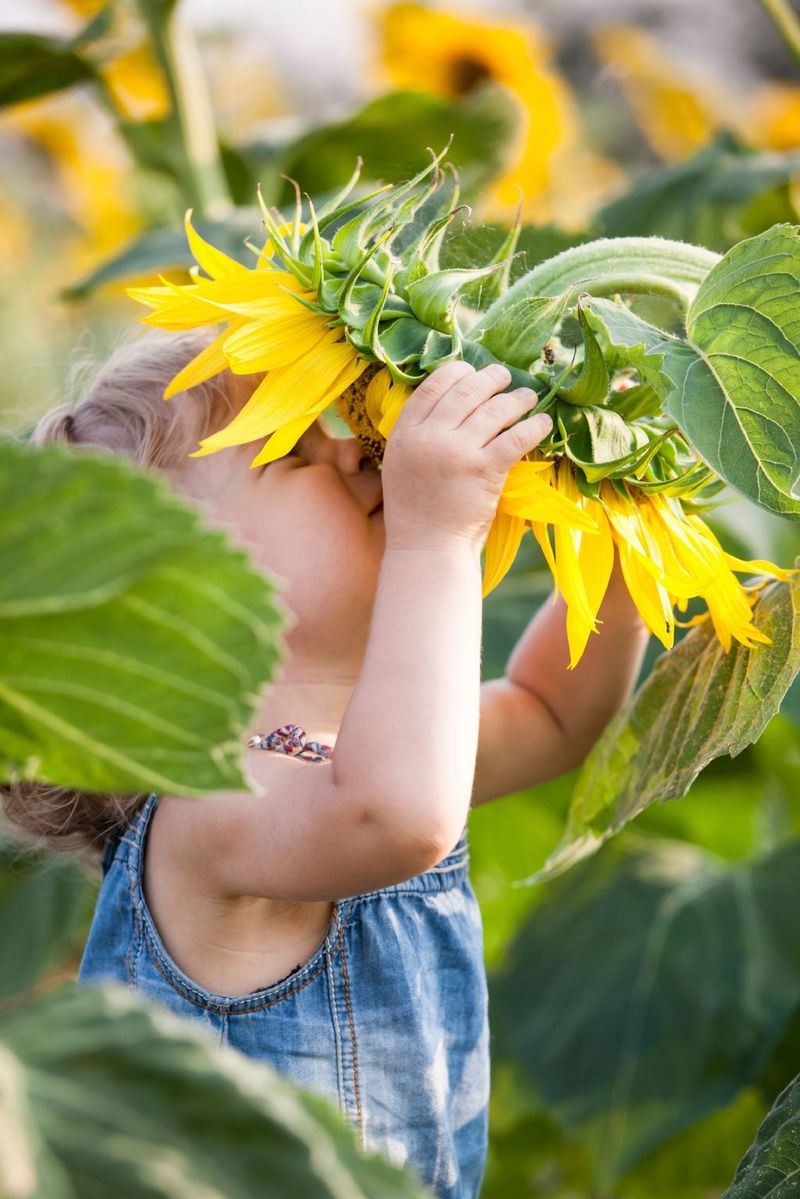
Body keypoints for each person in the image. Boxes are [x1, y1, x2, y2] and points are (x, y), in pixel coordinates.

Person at [5, 328, 649, 1199]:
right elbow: (400, 815)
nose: (356, 449)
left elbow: (552, 712)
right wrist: (436, 536)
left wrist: (620, 541)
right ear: (175, 597)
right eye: (290, 448)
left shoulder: (357, 752)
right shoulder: (209, 810)